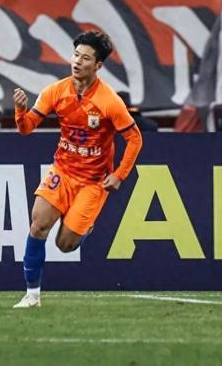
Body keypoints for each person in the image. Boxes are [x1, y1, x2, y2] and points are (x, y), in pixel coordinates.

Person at [12, 30, 143, 308]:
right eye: (75, 55)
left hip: (93, 181)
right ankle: (32, 295)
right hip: (62, 171)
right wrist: (20, 111)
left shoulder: (109, 101)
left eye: (85, 58)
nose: (77, 62)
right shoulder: (55, 91)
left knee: (65, 245)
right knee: (38, 225)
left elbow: (135, 138)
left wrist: (119, 175)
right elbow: (26, 129)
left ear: (98, 65)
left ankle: (85, 225)